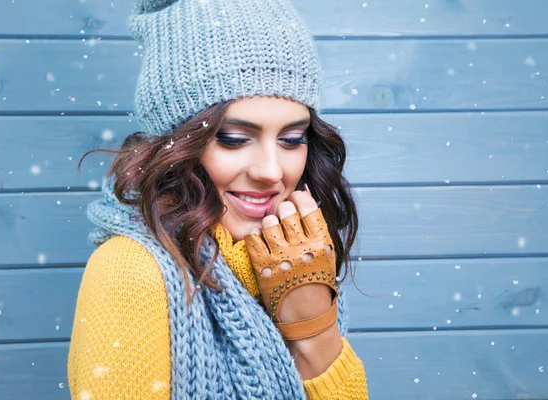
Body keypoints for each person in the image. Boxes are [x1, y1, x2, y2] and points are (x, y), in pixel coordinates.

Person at [68, 0, 369, 398]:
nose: (271, 170)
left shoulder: (297, 255)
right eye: (233, 139)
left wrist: (314, 328)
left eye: (292, 140)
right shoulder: (132, 273)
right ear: (177, 145)